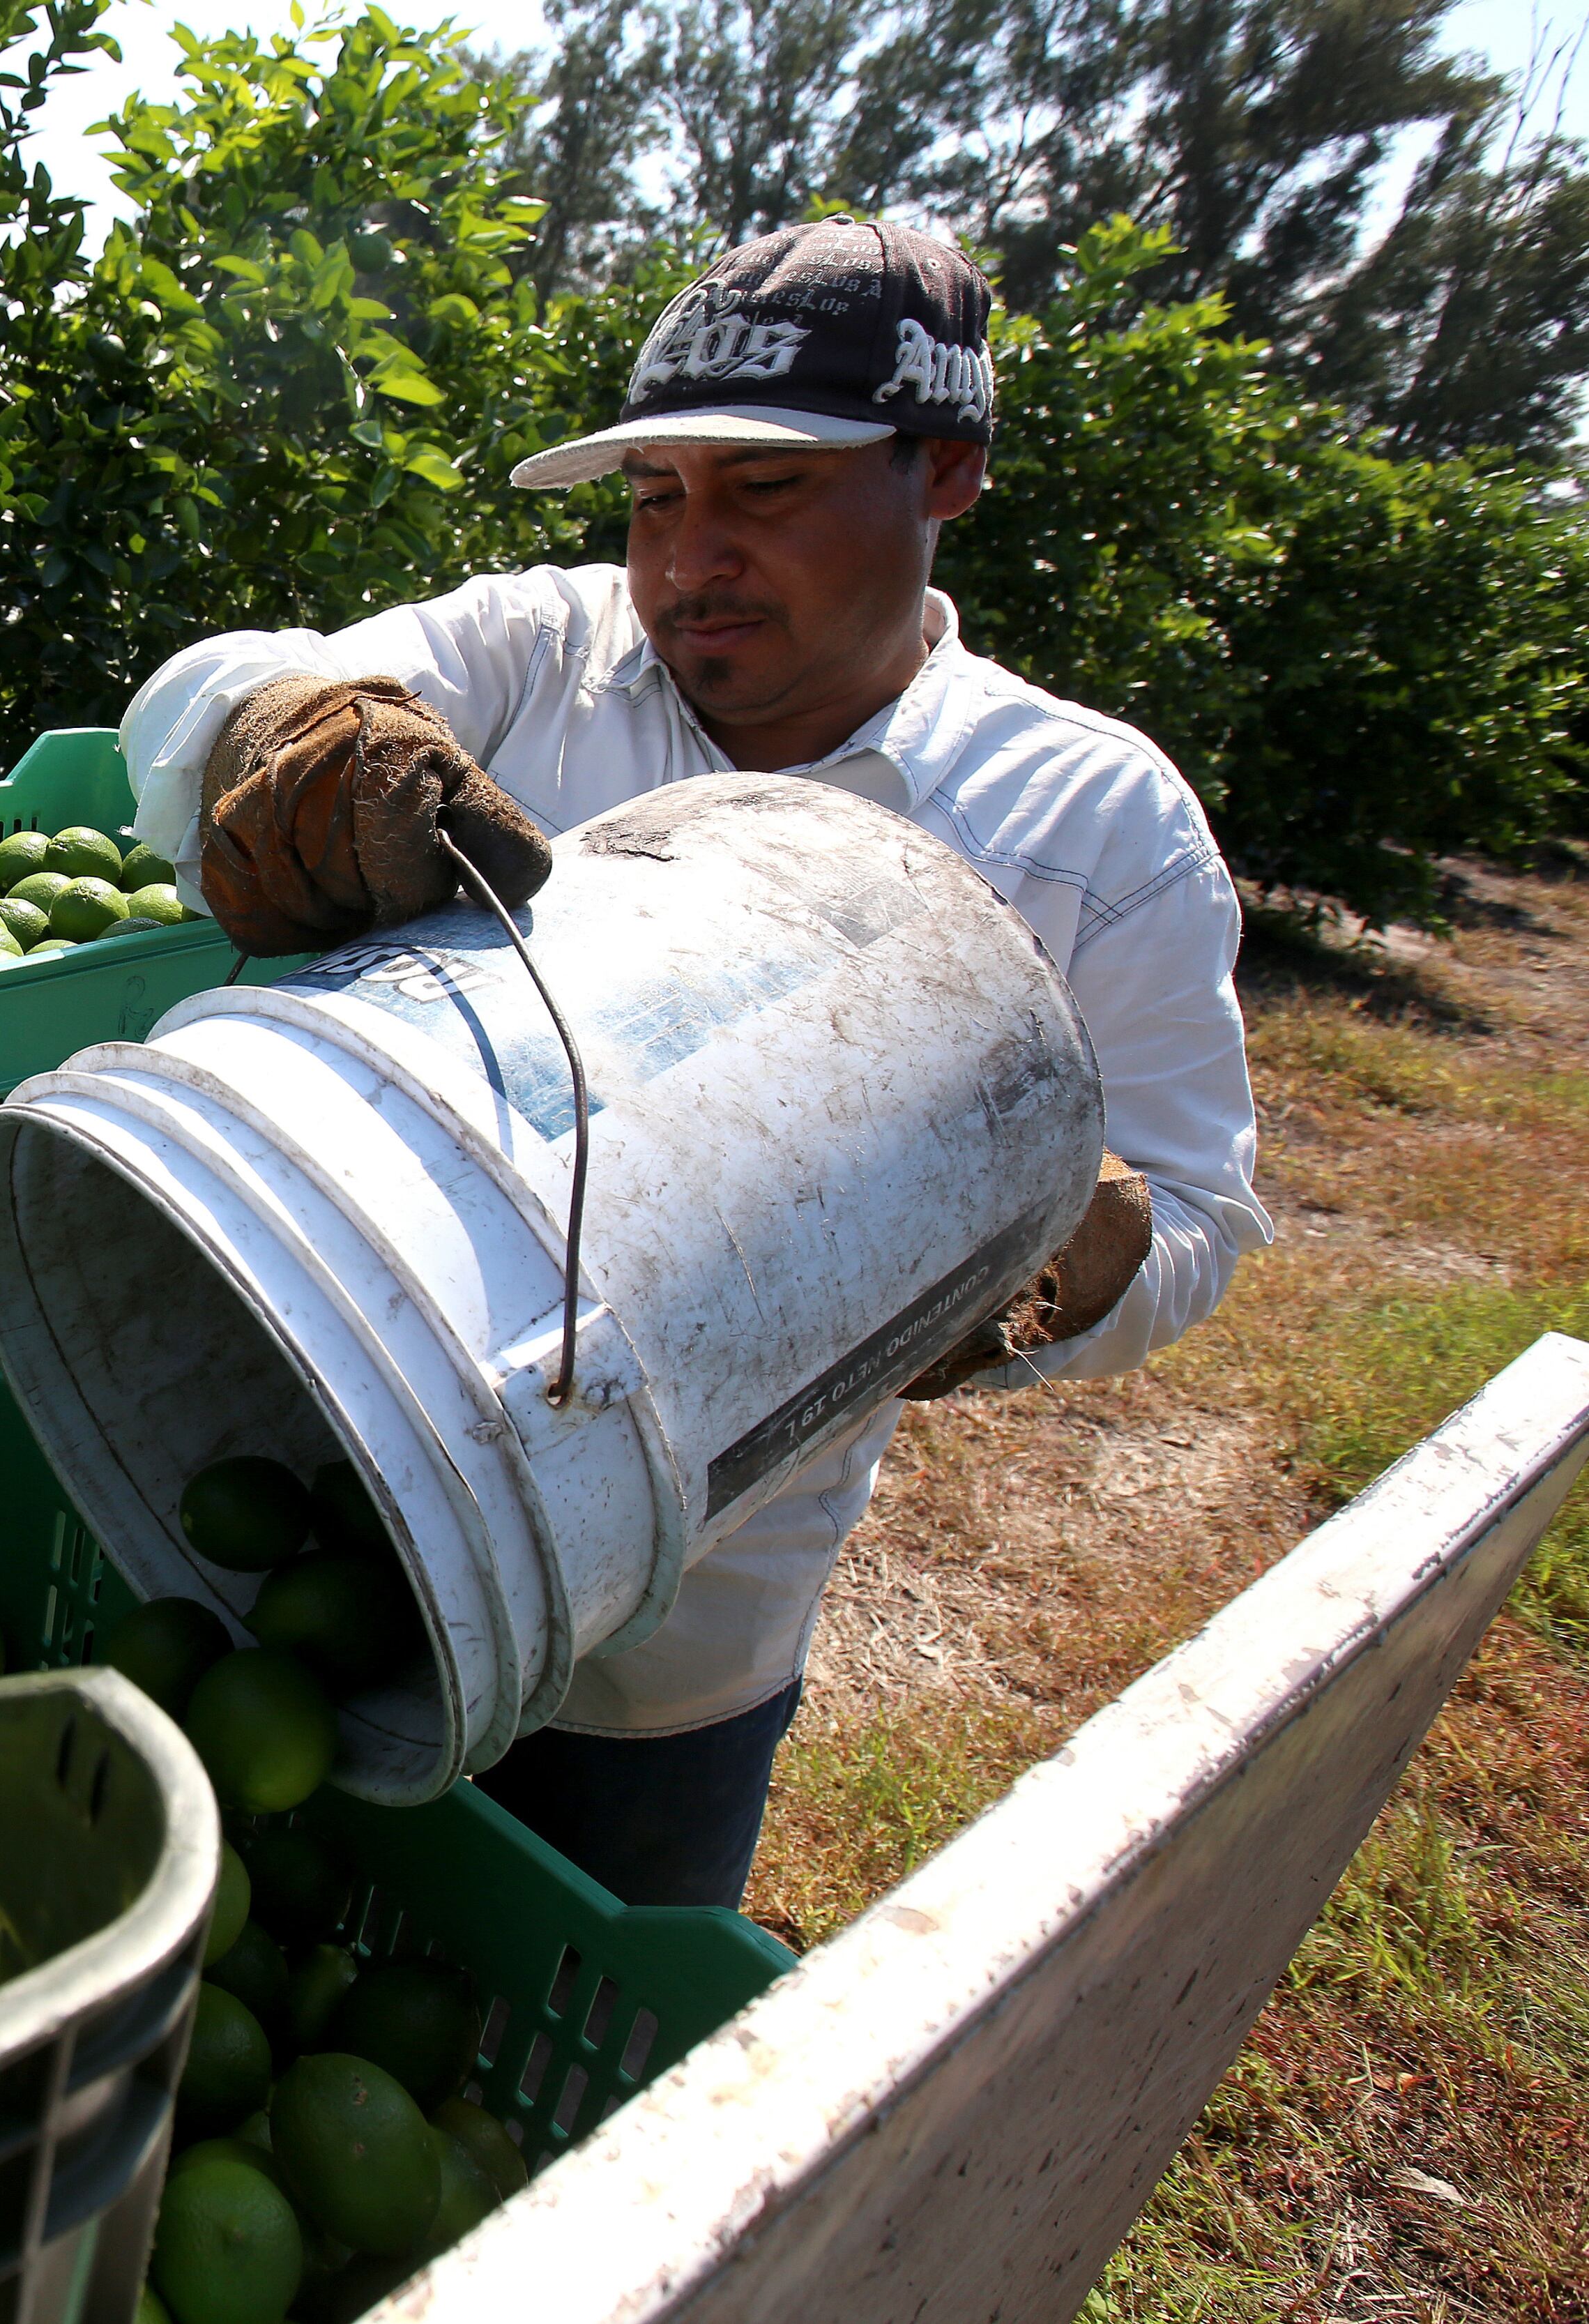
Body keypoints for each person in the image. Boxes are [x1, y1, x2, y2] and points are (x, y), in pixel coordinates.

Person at [118, 220, 1271, 1911]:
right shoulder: (546, 658)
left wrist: (1033, 1261)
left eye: (766, 490)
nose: (685, 560)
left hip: (680, 1621)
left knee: (579, 2029)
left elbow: (1201, 1209)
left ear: (944, 470)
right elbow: (216, 689)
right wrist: (283, 739)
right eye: (656, 496)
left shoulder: (1087, 826)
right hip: (329, 1464)